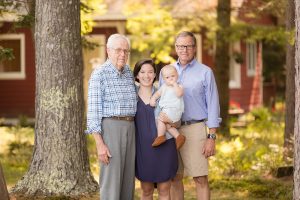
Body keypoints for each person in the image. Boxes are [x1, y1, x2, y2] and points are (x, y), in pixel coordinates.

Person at [162, 31, 221, 200]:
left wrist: (211, 136)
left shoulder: (205, 72)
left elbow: (213, 105)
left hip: (195, 128)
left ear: (195, 48)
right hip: (172, 130)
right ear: (176, 48)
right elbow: (160, 99)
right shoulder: (167, 71)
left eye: (188, 46)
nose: (184, 50)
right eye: (181, 46)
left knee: (200, 178)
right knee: (174, 178)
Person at [86, 34, 137, 200]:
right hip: (111, 129)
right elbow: (93, 112)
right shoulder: (99, 74)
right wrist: (100, 144)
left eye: (126, 51)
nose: (122, 54)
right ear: (108, 51)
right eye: (118, 50)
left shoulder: (129, 73)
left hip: (131, 128)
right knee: (111, 182)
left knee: (128, 181)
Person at [133, 58, 178, 200]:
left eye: (150, 72)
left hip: (165, 146)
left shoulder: (164, 92)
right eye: (143, 72)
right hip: (143, 149)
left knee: (165, 190)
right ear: (137, 75)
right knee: (146, 190)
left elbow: (177, 119)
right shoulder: (131, 96)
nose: (147, 76)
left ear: (155, 75)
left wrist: (170, 120)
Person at [150, 65, 186, 149]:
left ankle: (161, 136)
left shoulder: (179, 86)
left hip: (174, 110)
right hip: (168, 110)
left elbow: (179, 94)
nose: (170, 79)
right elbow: (157, 94)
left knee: (160, 119)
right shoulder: (164, 87)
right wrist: (153, 99)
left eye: (173, 76)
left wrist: (174, 84)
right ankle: (178, 136)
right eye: (167, 77)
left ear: (177, 75)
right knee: (167, 126)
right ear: (163, 79)